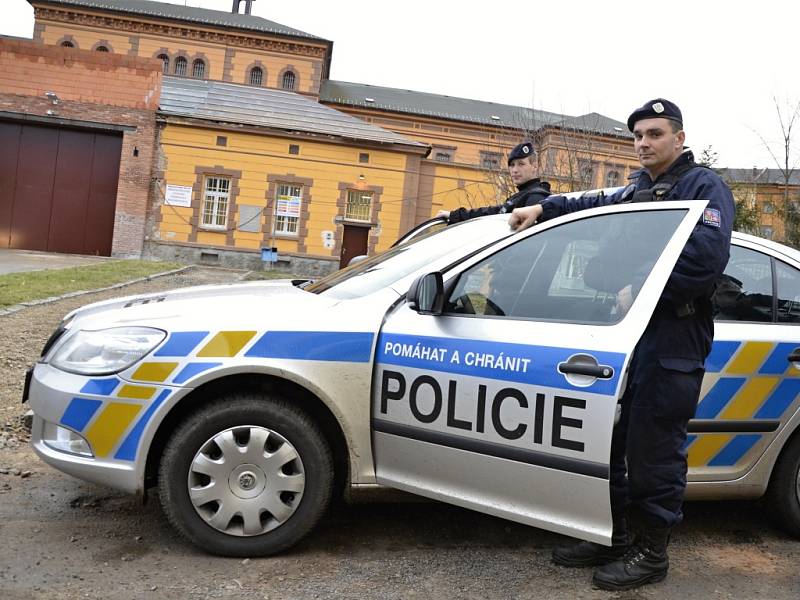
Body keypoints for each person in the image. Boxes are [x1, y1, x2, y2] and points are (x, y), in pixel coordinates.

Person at [508, 98, 735, 591]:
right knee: (613, 441)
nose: (643, 143)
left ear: (678, 138)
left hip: (674, 333)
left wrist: (641, 287)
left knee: (654, 447)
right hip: (630, 335)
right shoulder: (640, 188)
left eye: (654, 134)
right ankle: (614, 535)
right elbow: (592, 203)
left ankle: (652, 554)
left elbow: (703, 263)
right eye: (637, 136)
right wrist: (543, 207)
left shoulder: (703, 187)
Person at [437, 142, 550, 223]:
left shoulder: (535, 198)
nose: (515, 170)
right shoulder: (522, 196)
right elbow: (491, 213)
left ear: (534, 166)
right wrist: (454, 215)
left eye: (521, 164)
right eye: (512, 165)